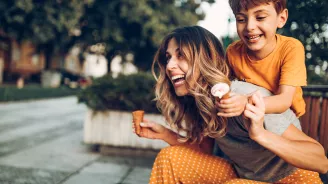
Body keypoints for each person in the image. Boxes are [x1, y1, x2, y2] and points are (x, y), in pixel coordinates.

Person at [134, 26, 328, 183]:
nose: (169, 66)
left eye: (181, 55)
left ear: (205, 60)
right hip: (246, 177)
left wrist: (260, 134)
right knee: (170, 158)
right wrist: (166, 134)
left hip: (294, 179)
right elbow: (207, 150)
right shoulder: (203, 102)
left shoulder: (245, 96)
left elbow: (320, 160)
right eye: (168, 58)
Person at [218, 0, 307, 118]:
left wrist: (245, 102)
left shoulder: (291, 48)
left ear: (281, 18)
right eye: (241, 20)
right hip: (252, 116)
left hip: (285, 118)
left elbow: (284, 100)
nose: (249, 27)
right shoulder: (233, 52)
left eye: (260, 17)